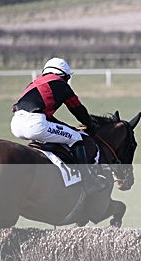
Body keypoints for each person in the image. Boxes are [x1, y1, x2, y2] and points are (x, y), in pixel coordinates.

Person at [11, 57, 107, 193]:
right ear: (64, 75)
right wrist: (90, 125)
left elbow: (46, 117)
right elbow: (77, 109)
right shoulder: (61, 84)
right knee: (76, 138)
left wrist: (67, 128)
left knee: (66, 133)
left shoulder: (34, 83)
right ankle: (89, 181)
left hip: (16, 124)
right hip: (35, 124)